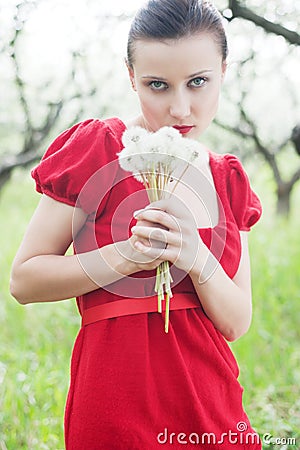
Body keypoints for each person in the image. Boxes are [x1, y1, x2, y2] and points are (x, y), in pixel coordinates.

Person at [10, 0, 263, 449]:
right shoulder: (97, 150)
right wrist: (126, 255)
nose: (180, 108)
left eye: (199, 82)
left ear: (224, 71)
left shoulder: (227, 180)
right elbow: (25, 280)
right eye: (158, 85)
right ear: (131, 77)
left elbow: (236, 322)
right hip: (113, 405)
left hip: (211, 407)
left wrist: (196, 257)